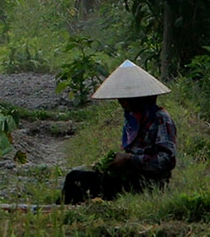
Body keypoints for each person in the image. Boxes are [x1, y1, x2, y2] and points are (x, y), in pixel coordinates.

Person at [61, 60, 177, 204]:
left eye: (126, 98)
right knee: (74, 176)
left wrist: (129, 159)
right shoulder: (134, 120)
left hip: (148, 184)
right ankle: (64, 212)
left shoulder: (160, 119)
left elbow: (166, 161)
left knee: (82, 181)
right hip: (128, 177)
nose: (122, 102)